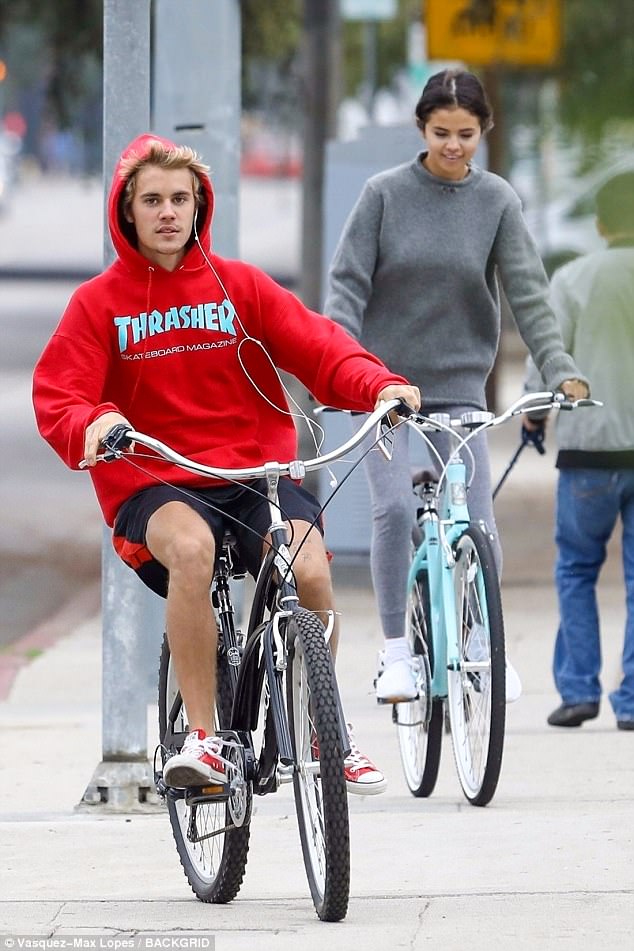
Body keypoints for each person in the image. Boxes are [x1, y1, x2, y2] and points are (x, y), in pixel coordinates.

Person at [32, 133, 420, 793]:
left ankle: (325, 734)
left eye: (179, 198)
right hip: (156, 478)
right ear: (128, 211)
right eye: (151, 200)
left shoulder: (238, 285)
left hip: (254, 476)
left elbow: (321, 348)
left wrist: (377, 383)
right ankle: (206, 738)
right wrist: (93, 423)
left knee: (310, 565)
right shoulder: (99, 303)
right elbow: (59, 394)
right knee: (191, 548)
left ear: (198, 204)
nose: (167, 212)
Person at [324, 68, 589, 705]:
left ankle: (480, 646)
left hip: (461, 386)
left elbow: (529, 293)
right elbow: (347, 289)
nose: (453, 145)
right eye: (441, 133)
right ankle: (394, 656)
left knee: (477, 515)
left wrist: (559, 368)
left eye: (465, 134)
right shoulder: (383, 194)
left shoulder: (496, 200)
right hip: (384, 390)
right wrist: (338, 365)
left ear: (483, 132)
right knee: (390, 509)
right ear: (422, 129)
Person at [524, 171, 634, 731]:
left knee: (575, 570)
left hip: (590, 452)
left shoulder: (574, 279)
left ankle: (578, 692)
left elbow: (546, 353)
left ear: (601, 224)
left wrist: (534, 413)